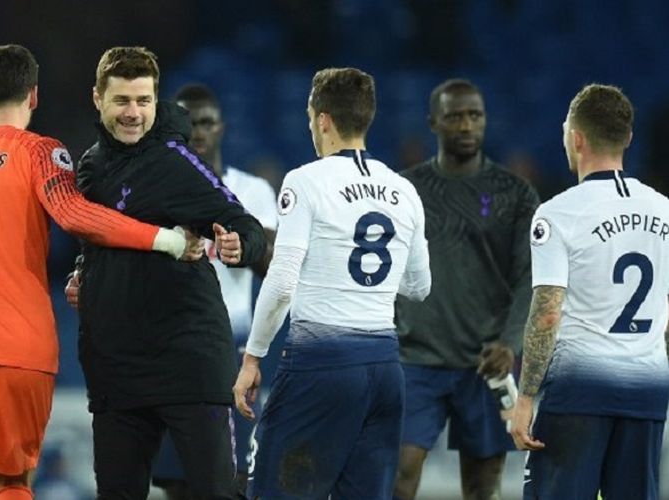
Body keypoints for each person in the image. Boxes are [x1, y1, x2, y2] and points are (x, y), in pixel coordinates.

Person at [0, 44, 195, 500]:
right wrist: (166, 239)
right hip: (21, 346)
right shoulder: (41, 151)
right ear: (32, 97)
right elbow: (74, 214)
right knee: (11, 481)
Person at [74, 47, 266, 500]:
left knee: (216, 493)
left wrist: (240, 245)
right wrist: (84, 273)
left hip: (188, 360)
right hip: (118, 368)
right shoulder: (91, 167)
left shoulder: (174, 162)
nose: (133, 113)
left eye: (143, 100)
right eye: (122, 100)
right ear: (97, 98)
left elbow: (242, 221)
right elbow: (96, 240)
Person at [233, 67, 432, 499]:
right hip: (383, 368)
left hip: (319, 365)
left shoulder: (305, 182)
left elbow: (282, 281)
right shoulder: (405, 191)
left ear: (322, 119)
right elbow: (419, 285)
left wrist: (253, 358)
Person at [511, 84, 669, 499]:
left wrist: (525, 398)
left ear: (576, 138)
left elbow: (547, 314)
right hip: (648, 391)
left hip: (579, 393)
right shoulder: (664, 210)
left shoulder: (557, 214)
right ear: (628, 138)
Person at [393, 78, 540, 500]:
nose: (466, 124)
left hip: (486, 363)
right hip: (416, 358)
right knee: (399, 477)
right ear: (433, 123)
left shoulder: (514, 193)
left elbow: (529, 277)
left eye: (474, 115)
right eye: (455, 115)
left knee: (481, 487)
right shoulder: (405, 191)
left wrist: (511, 343)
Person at [150, 84, 278, 499]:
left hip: (230, 348)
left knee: (235, 479)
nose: (198, 132)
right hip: (171, 348)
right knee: (178, 483)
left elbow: (272, 266)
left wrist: (243, 241)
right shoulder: (155, 192)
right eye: (188, 123)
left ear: (221, 127)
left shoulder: (253, 191)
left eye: (206, 122)